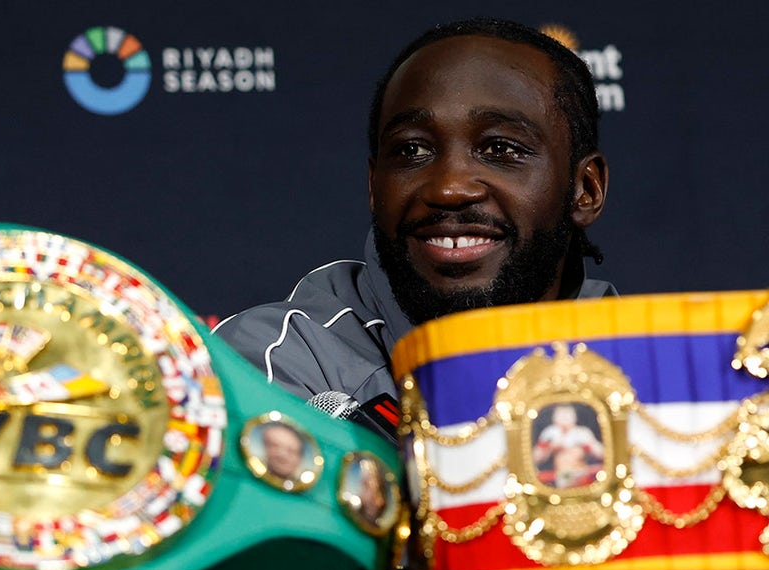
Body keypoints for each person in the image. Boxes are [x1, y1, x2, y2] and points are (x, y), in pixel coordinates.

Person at [214, 18, 615, 440]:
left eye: (500, 149)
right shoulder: (273, 362)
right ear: (374, 185)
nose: (449, 187)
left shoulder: (644, 366)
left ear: (584, 190)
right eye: (412, 150)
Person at [533, 404, 605, 488]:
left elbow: (603, 454)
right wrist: (547, 447)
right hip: (560, 475)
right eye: (561, 415)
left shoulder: (583, 433)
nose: (564, 418)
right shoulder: (550, 433)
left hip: (581, 473)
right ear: (554, 417)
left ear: (574, 417)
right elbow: (534, 459)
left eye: (567, 415)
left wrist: (588, 446)